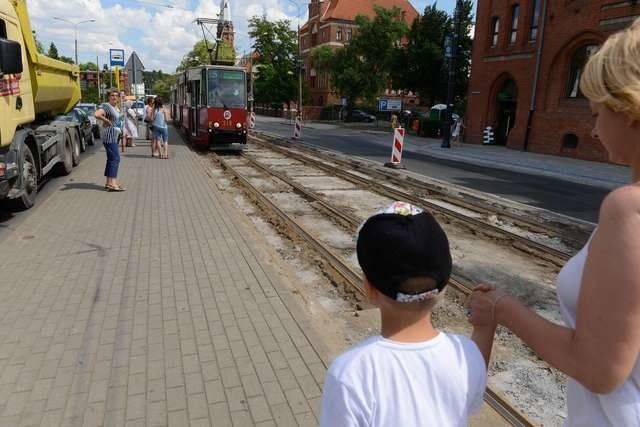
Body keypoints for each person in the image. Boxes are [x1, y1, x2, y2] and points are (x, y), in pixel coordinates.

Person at [469, 20, 640, 426]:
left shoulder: (627, 209)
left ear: (629, 111)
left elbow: (600, 369)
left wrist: (502, 308)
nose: (595, 129)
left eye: (598, 113)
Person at [320, 201, 493, 427]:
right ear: (444, 286)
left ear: (369, 288)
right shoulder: (467, 353)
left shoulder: (350, 373)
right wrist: (485, 327)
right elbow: (470, 404)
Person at [94, 89, 125, 191]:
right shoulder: (106, 107)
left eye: (116, 95)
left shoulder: (115, 107)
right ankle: (113, 183)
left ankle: (109, 182)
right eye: (112, 95)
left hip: (115, 135)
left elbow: (118, 121)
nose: (114, 97)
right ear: (109, 97)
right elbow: (97, 114)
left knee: (111, 159)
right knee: (115, 159)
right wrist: (106, 120)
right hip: (110, 136)